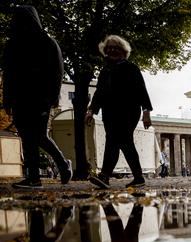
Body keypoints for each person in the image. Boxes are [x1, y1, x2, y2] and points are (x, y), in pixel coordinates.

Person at [2, 6, 73, 189]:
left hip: (40, 97)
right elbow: (8, 74)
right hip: (20, 98)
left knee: (39, 135)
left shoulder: (47, 42)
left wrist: (52, 96)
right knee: (27, 136)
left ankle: (59, 167)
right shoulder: (12, 45)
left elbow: (57, 72)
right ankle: (35, 177)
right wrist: (7, 101)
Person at [86, 35, 153, 189]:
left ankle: (105, 176)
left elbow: (141, 90)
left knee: (118, 141)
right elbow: (99, 94)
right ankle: (137, 177)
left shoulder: (131, 68)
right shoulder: (105, 71)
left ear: (123, 51)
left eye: (115, 48)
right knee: (121, 142)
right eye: (108, 48)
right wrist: (91, 110)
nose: (111, 50)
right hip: (109, 113)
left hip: (128, 111)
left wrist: (146, 112)